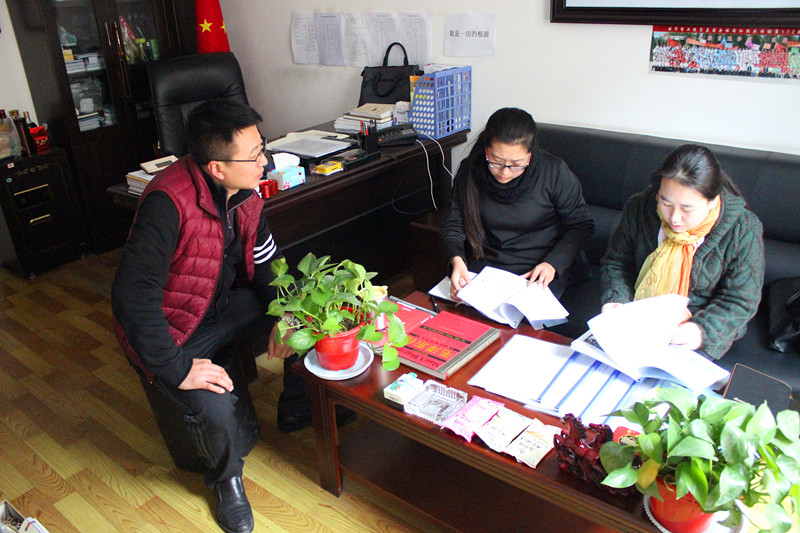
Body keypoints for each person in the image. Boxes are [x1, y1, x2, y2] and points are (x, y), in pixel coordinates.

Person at [112, 99, 295, 533]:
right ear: (217, 168)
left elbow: (267, 264)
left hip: (220, 306)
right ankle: (226, 480)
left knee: (305, 319)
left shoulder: (247, 195)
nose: (264, 162)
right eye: (255, 156)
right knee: (215, 410)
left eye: (262, 148)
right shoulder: (167, 203)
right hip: (174, 328)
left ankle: (299, 408)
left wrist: (285, 315)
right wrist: (176, 367)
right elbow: (131, 298)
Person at [600, 144, 765, 359]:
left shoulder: (743, 229)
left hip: (694, 329)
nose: (674, 217)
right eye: (665, 202)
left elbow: (742, 299)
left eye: (687, 208)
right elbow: (617, 263)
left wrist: (701, 330)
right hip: (637, 318)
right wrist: (617, 299)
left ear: (712, 201)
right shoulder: (639, 208)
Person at [440, 107, 594, 299]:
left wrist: (552, 264)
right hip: (489, 267)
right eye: (496, 161)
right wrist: (457, 260)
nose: (505, 172)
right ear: (486, 150)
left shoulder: (554, 173)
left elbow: (581, 225)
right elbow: (454, 224)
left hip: (540, 269)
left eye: (516, 164)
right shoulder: (470, 170)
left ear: (530, 154)